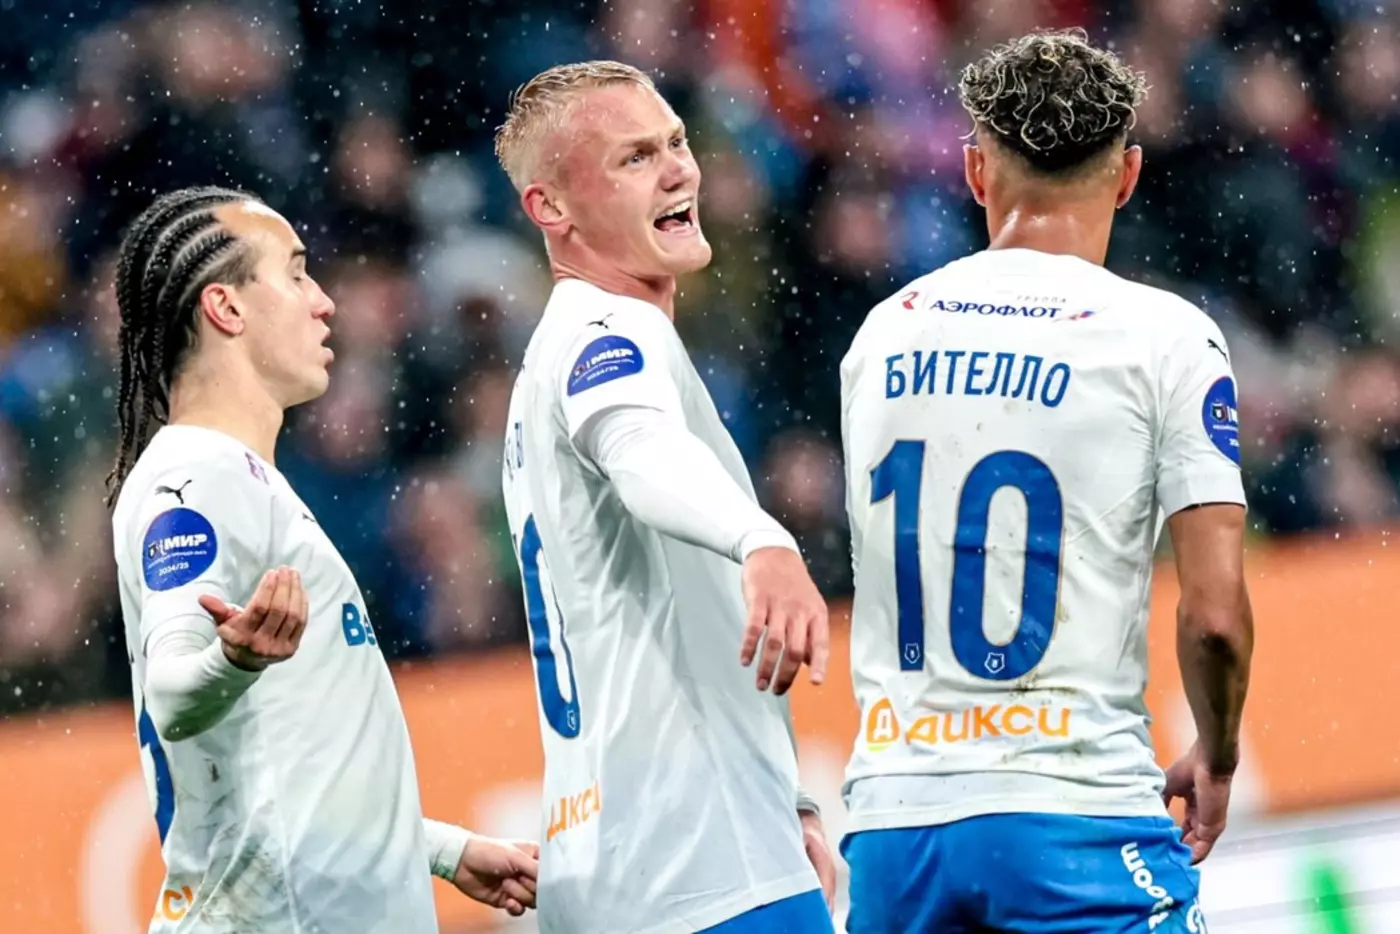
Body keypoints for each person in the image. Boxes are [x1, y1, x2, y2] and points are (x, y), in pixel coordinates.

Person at [838, 29, 1255, 933]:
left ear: (975, 171)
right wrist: (1218, 752)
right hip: (1073, 811)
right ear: (1129, 174)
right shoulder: (1165, 338)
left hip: (894, 827)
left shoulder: (881, 333)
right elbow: (1215, 616)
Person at [106, 186, 539, 932]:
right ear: (226, 308)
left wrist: (441, 851)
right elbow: (174, 693)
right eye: (297, 273)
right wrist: (232, 661)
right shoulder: (196, 476)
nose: (324, 301)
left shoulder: (244, 480)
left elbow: (294, 775)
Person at [493, 61, 838, 934]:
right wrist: (763, 540)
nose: (679, 169)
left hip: (607, 862)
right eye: (634, 158)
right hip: (703, 867)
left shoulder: (544, 368)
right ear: (550, 208)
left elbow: (672, 616)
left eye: (676, 143)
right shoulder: (609, 331)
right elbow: (641, 451)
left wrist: (785, 798)